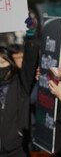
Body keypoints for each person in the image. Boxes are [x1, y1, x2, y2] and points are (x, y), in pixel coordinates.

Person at [0, 17, 39, 157]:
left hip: (17, 150)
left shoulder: (20, 85)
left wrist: (31, 34)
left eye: (3, 63)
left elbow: (30, 60)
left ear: (11, 65)